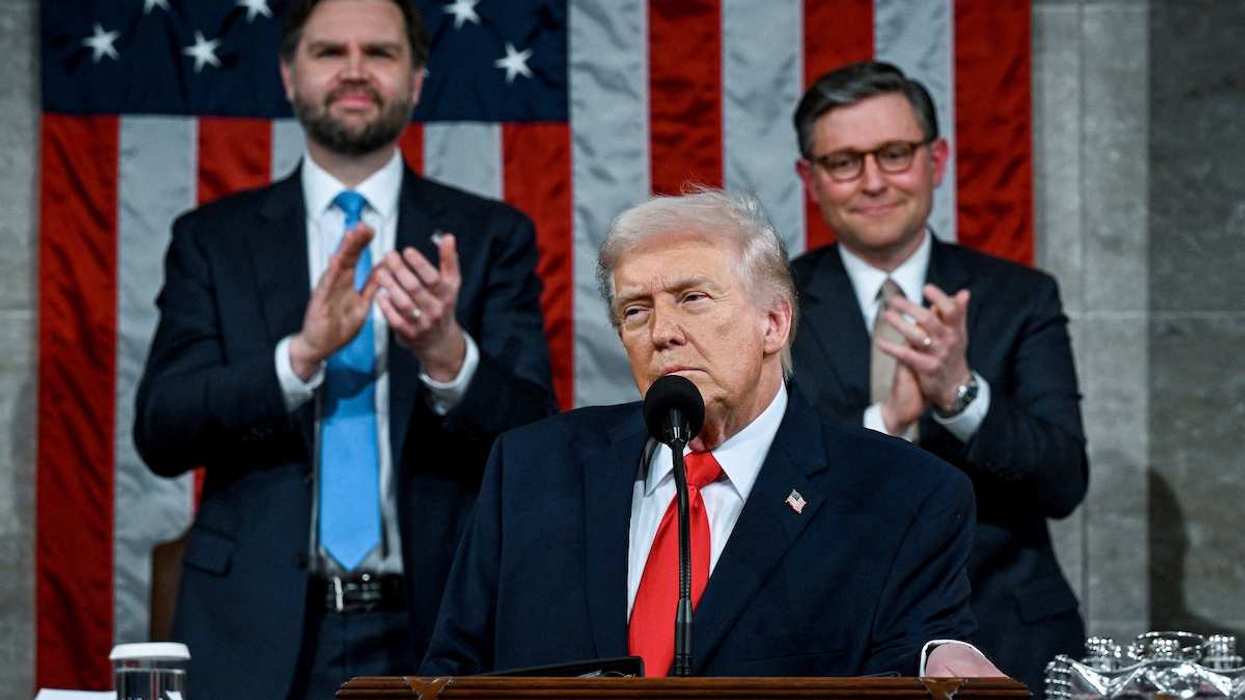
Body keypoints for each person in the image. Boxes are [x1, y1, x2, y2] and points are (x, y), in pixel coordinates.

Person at [132, 1, 556, 697]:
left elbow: (537, 436)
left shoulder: (487, 236)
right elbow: (162, 431)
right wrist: (297, 357)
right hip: (252, 629)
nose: (354, 71)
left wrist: (448, 356)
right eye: (329, 52)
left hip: (436, 625)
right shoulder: (213, 239)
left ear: (417, 79)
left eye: (381, 53)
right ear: (288, 74)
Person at [420, 189, 1001, 679]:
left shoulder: (902, 495)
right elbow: (452, 673)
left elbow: (921, 658)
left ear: (774, 322)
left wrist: (944, 658)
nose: (662, 332)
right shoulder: (532, 469)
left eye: (692, 299)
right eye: (636, 311)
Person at [790, 61, 1088, 692]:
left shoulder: (1019, 297)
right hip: (826, 640)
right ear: (809, 179)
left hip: (1007, 638)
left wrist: (960, 396)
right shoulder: (774, 304)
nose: (872, 181)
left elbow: (1064, 481)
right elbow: (761, 481)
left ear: (938, 159)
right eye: (844, 162)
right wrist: (886, 425)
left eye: (894, 154)